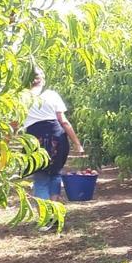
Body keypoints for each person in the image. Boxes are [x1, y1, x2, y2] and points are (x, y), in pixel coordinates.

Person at [23, 68, 84, 201]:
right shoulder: (51, 94)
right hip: (56, 138)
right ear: (43, 80)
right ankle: (54, 214)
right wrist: (77, 144)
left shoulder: (22, 97)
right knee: (55, 174)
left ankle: (46, 217)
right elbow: (64, 122)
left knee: (40, 178)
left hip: (34, 139)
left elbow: (14, 124)